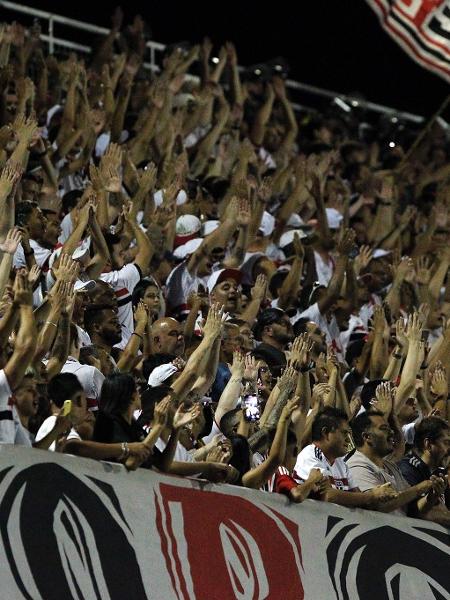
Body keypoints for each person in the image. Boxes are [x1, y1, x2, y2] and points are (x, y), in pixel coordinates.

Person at [294, 408, 398, 508]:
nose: (349, 440)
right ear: (325, 433)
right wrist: (372, 496)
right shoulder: (310, 455)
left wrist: (373, 497)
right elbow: (328, 495)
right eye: (344, 433)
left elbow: (359, 497)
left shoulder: (341, 463)